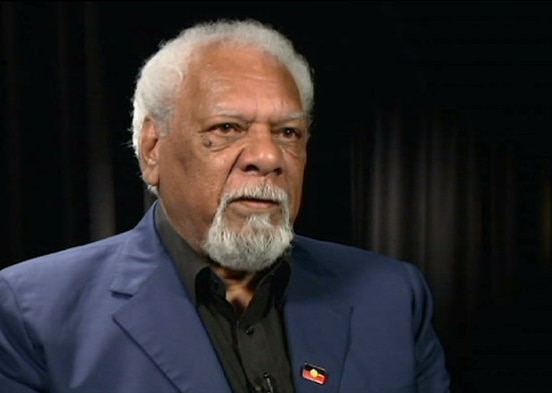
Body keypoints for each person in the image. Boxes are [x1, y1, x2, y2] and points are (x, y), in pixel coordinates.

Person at [0, 18, 450, 393]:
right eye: (228, 127)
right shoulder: (32, 312)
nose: (269, 157)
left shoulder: (392, 296)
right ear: (153, 148)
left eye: (288, 133)